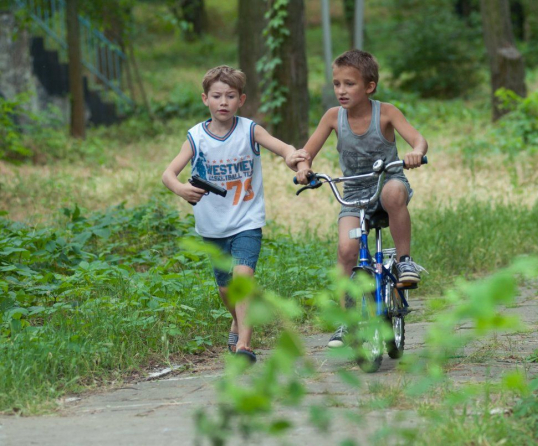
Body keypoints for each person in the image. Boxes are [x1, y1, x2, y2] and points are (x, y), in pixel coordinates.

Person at [163, 65, 309, 363]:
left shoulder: (250, 130)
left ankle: (244, 344)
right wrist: (180, 189)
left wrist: (293, 156)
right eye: (217, 96)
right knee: (226, 290)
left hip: (246, 221)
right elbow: (168, 173)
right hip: (212, 227)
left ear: (241, 100)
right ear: (205, 99)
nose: (223, 102)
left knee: (242, 280)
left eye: (230, 96)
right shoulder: (196, 137)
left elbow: (283, 148)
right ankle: (237, 320)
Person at [295, 49, 428, 348]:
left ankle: (405, 261)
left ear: (369, 86)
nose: (341, 91)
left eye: (349, 84)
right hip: (354, 194)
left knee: (394, 193)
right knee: (346, 250)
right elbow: (306, 153)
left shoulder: (387, 112)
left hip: (388, 182)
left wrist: (415, 152)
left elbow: (418, 139)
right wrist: (304, 168)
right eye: (336, 84)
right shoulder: (333, 117)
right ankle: (347, 323)